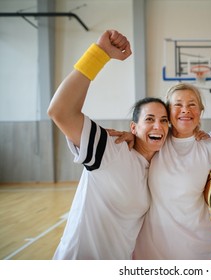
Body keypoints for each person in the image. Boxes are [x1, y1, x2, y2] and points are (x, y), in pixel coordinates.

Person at [47, 30, 169, 259]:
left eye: (164, 121)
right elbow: (60, 111)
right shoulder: (111, 149)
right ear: (133, 127)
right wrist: (99, 54)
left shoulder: (161, 164)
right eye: (149, 120)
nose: (158, 126)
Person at [131, 83, 211, 259]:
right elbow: (138, 132)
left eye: (192, 104)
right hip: (151, 252)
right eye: (178, 104)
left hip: (198, 250)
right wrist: (129, 136)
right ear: (168, 111)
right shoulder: (156, 140)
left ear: (200, 110)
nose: (185, 110)